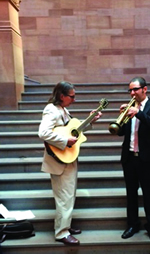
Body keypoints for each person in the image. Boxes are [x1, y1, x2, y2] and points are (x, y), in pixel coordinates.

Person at [38, 81, 102, 245]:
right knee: (63, 197)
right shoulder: (51, 109)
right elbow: (43, 132)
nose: (74, 99)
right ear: (62, 96)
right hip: (59, 160)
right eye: (71, 96)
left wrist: (91, 120)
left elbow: (75, 130)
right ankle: (61, 233)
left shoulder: (63, 109)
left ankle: (65, 225)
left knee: (69, 195)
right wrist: (65, 140)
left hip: (68, 158)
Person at [117, 77, 150, 243]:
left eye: (135, 89)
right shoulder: (129, 107)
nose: (132, 93)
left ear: (145, 89)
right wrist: (121, 117)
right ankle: (132, 225)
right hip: (129, 157)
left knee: (148, 193)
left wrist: (139, 113)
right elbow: (120, 133)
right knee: (131, 194)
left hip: (146, 158)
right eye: (130, 90)